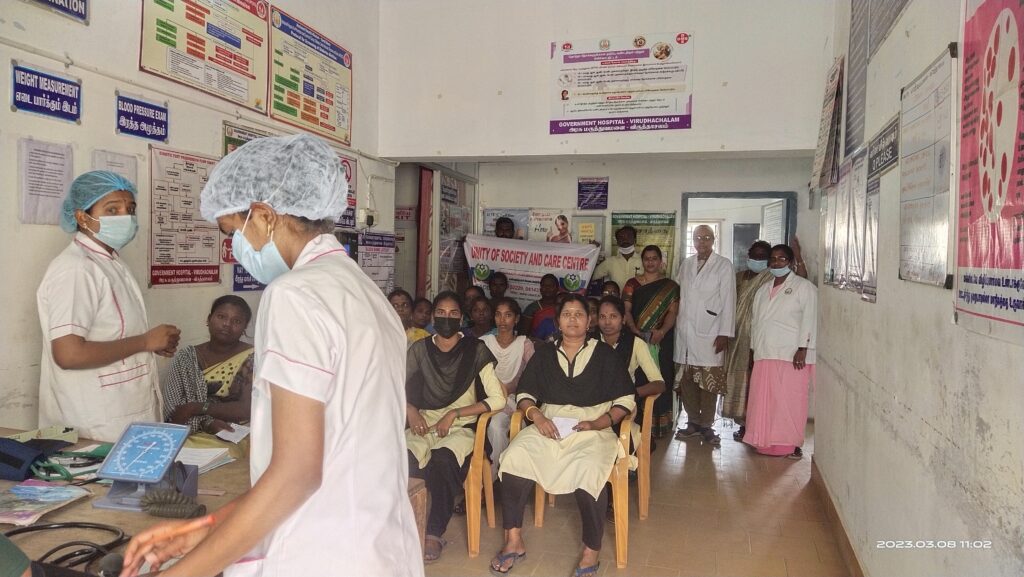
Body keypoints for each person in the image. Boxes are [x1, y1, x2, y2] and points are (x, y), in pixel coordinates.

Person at [121, 134, 421, 577]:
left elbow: (296, 473)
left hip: (321, 554)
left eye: (232, 234)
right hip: (376, 546)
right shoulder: (363, 291)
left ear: (263, 215)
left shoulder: (295, 294)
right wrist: (206, 529)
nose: (234, 249)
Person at [492, 295, 636, 577]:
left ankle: (591, 550)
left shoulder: (605, 354)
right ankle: (513, 539)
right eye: (566, 314)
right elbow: (525, 394)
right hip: (549, 424)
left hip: (593, 428)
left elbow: (625, 400)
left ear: (589, 321)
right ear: (557, 321)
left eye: (578, 314)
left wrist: (598, 423)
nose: (572, 319)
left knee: (590, 470)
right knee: (514, 458)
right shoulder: (545, 354)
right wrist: (537, 417)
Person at [37, 170, 180, 443]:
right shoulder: (76, 269)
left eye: (130, 209)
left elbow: (112, 333)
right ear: (82, 217)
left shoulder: (109, 262)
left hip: (123, 414)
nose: (125, 217)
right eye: (112, 209)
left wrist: (151, 344)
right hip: (94, 422)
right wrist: (144, 341)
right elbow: (68, 354)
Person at [405, 292, 505, 563]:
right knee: (402, 458)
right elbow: (393, 386)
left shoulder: (475, 350)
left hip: (461, 428)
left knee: (442, 459)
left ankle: (433, 532)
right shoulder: (419, 349)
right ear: (432, 316)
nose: (446, 318)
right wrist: (410, 409)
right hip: (424, 424)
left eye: (453, 313)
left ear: (461, 318)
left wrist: (454, 413)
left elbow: (498, 399)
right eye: (440, 312)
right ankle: (405, 527)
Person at [745, 244, 817, 459]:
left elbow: (810, 318)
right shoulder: (762, 290)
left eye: (782, 258)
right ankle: (764, 441)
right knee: (764, 401)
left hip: (791, 354)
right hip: (765, 352)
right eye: (773, 259)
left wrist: (803, 348)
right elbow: (756, 323)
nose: (776, 263)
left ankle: (789, 444)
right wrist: (753, 350)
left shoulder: (804, 287)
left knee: (789, 402)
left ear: (791, 262)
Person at [673, 225, 736, 446]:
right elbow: (677, 294)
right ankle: (692, 422)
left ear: (713, 239)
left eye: (707, 237)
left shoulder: (723, 265)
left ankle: (707, 425)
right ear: (693, 240)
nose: (702, 242)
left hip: (711, 331)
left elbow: (729, 300)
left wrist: (725, 333)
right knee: (687, 380)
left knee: (709, 383)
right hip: (685, 332)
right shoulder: (686, 264)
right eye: (698, 238)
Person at [164, 296, 253, 439]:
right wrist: (205, 423)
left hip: (239, 436)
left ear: (244, 327)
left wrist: (197, 407)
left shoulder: (253, 357)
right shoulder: (187, 357)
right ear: (209, 319)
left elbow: (247, 409)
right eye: (221, 317)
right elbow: (173, 412)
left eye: (236, 321)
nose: (227, 324)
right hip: (190, 434)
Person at [597, 296, 666, 469]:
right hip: (592, 401)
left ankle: (617, 470)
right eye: (602, 317)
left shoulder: (635, 343)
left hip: (622, 403)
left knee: (612, 439)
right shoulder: (589, 341)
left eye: (613, 316)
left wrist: (632, 394)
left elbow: (659, 383)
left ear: (623, 319)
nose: (607, 322)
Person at [623, 245, 679, 438]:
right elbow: (626, 310)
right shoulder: (632, 284)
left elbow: (673, 312)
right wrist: (634, 330)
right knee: (639, 377)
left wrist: (662, 332)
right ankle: (637, 423)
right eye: (647, 258)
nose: (650, 262)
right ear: (642, 261)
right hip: (636, 339)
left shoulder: (670, 286)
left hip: (661, 341)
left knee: (662, 376)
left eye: (654, 258)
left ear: (660, 261)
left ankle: (659, 425)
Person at [479, 297, 535, 481]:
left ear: (516, 319)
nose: (502, 320)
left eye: (508, 315)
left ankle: (497, 476)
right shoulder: (484, 342)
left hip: (513, 400)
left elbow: (534, 377)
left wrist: (510, 389)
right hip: (484, 399)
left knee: (498, 425)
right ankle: (488, 476)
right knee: (491, 424)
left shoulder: (524, 344)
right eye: (498, 315)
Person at [520, 274, 560, 338]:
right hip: (536, 342)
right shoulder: (532, 308)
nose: (547, 288)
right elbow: (523, 334)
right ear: (540, 289)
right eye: (544, 286)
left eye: (551, 286)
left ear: (557, 289)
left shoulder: (562, 307)